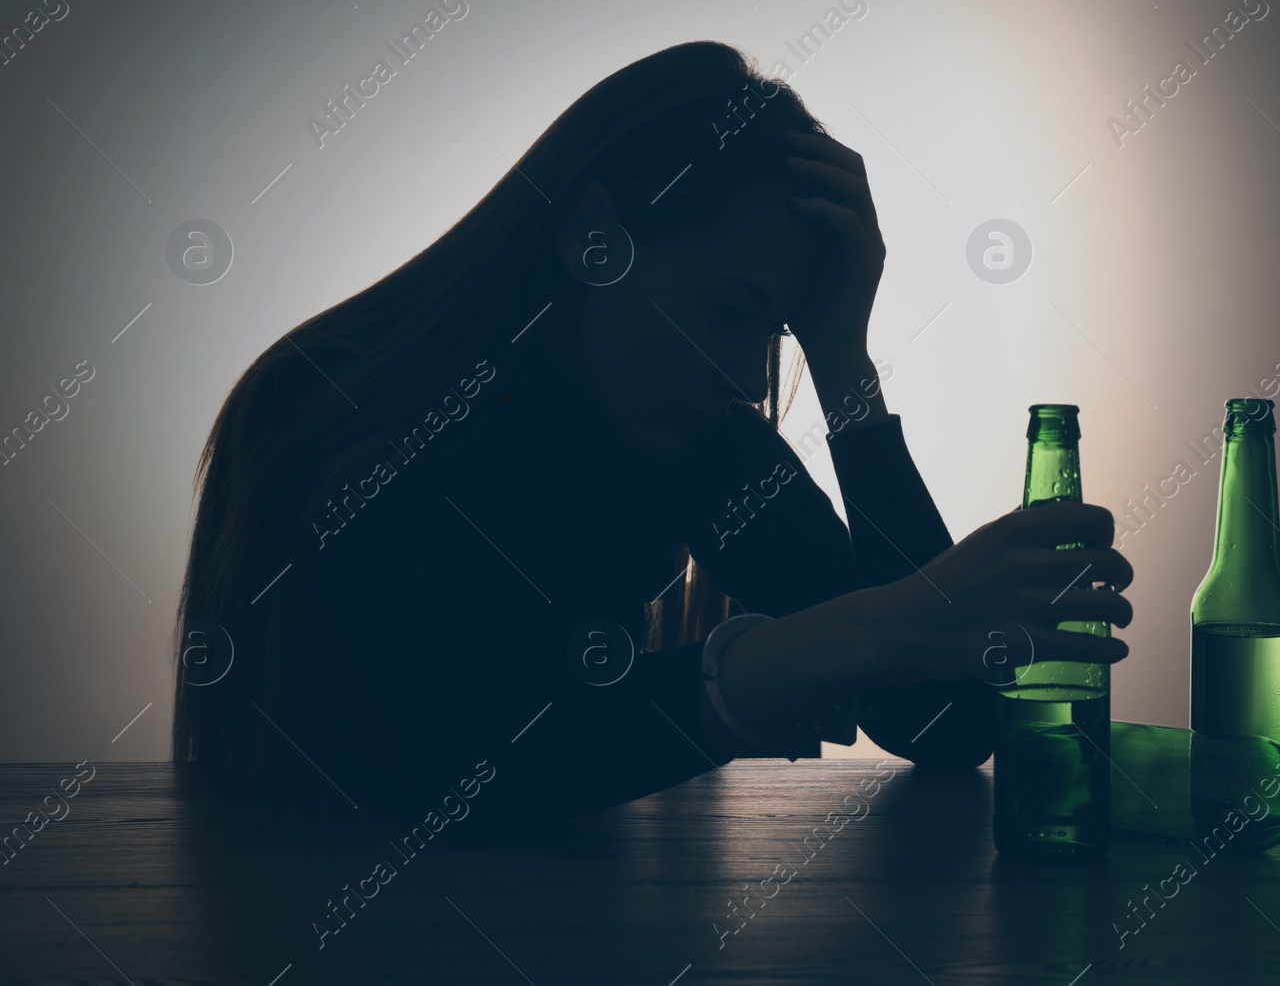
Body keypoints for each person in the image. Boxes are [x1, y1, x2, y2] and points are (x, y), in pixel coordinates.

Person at [172, 41, 1133, 826]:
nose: (745, 379)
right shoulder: (331, 411)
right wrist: (843, 639)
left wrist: (846, 367)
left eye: (778, 331)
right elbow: (463, 755)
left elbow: (946, 719)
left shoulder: (692, 436)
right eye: (726, 310)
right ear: (595, 239)